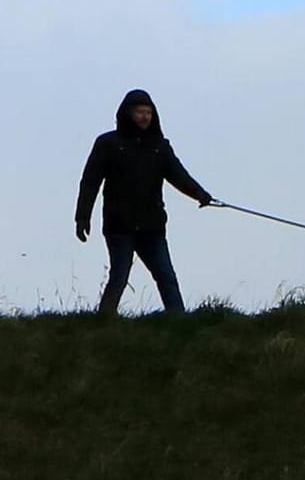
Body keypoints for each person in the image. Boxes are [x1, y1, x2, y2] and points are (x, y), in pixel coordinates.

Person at [75, 89, 215, 318]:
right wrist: (82, 216)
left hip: (152, 225)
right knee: (119, 277)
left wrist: (200, 194)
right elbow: (90, 182)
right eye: (140, 112)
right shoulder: (107, 143)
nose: (145, 117)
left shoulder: (160, 146)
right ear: (128, 114)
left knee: (166, 277)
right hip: (119, 225)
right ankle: (104, 320)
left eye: (148, 112)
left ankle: (179, 322)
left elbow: (178, 175)